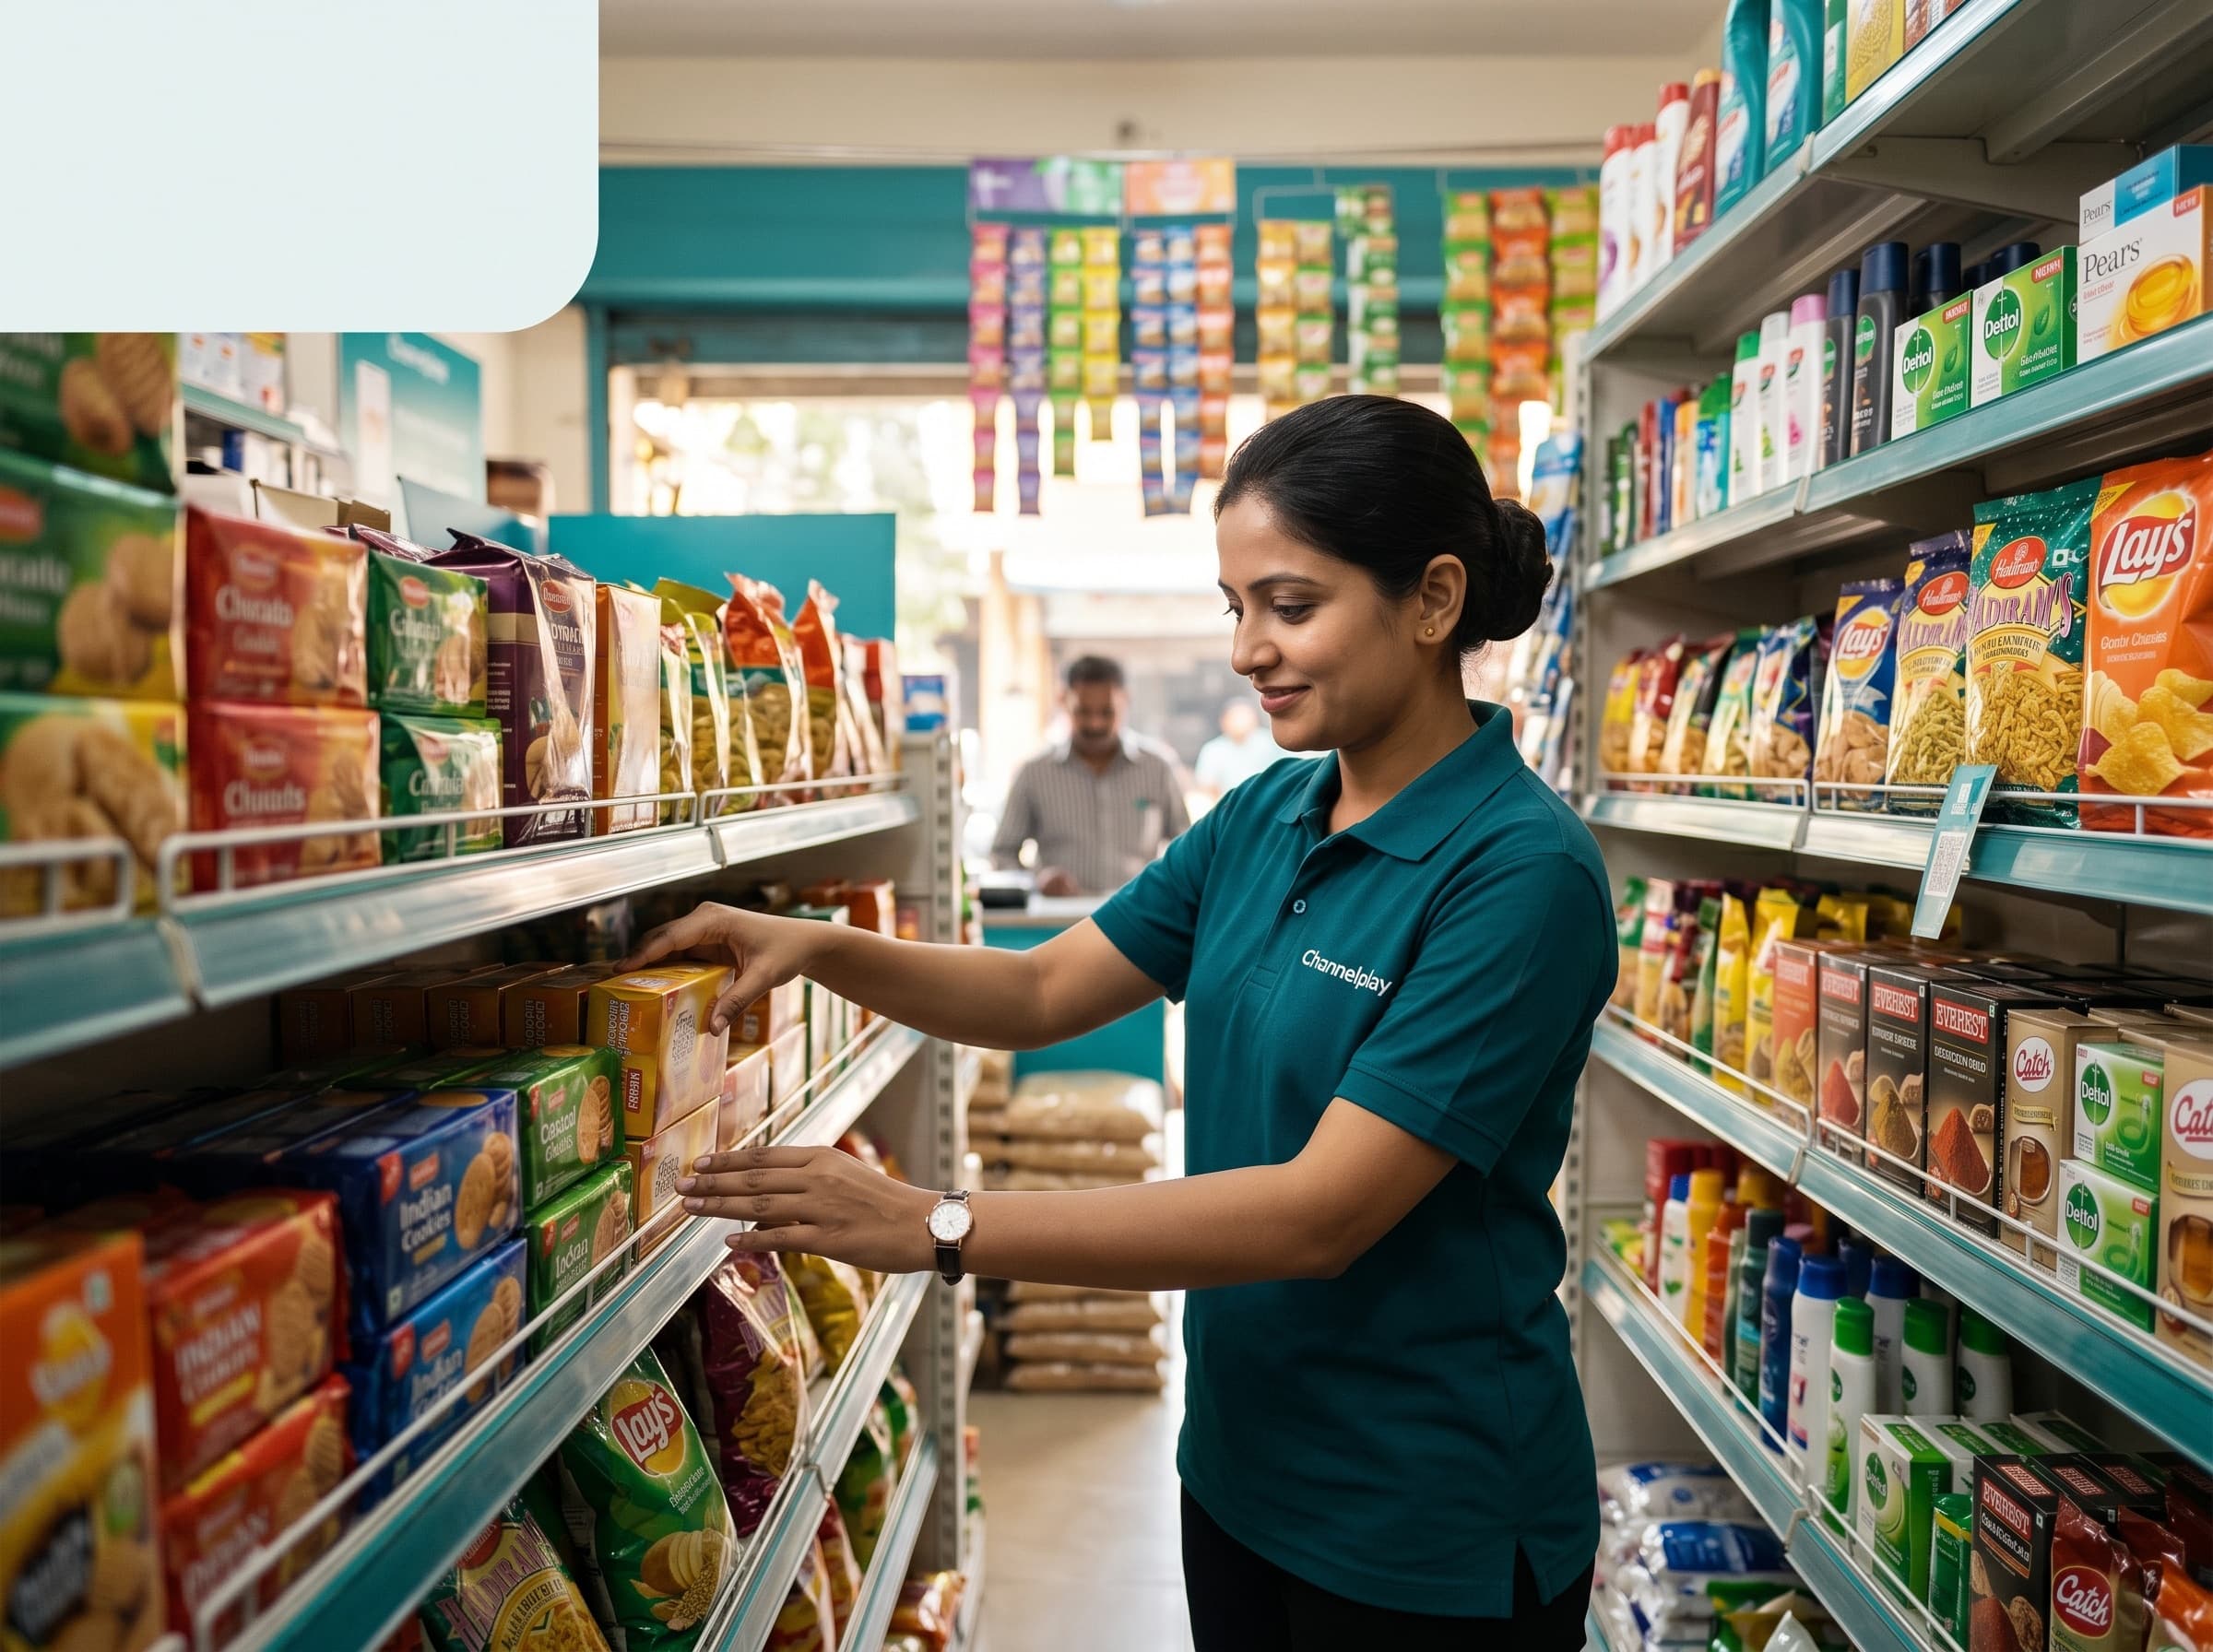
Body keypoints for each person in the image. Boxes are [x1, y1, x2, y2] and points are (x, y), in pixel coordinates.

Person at [628, 395, 1608, 1649]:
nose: (1248, 649)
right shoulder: (1264, 816)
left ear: (1433, 600)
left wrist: (938, 1225)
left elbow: (1320, 1215)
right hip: (1240, 1469)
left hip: (1426, 1524)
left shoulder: (1521, 874)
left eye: (1290, 605)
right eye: (1234, 607)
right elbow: (1040, 991)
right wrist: (818, 947)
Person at [988, 655, 1191, 895]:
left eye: (1107, 712)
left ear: (1125, 701)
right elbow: (1002, 854)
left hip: (1140, 913)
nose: (1095, 724)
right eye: (1083, 712)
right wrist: (1038, 881)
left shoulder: (1158, 769)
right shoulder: (1034, 774)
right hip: (1059, 915)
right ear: (1063, 701)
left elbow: (1187, 852)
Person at [1192, 696, 1288, 798]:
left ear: (1255, 719)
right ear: (1223, 722)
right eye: (1235, 717)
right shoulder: (1213, 750)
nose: (1240, 722)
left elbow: (1286, 772)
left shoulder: (1271, 742)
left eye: (1244, 717)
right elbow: (1207, 787)